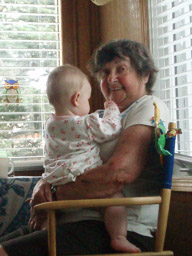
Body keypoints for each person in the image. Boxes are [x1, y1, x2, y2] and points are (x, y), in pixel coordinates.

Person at [0, 39, 169, 256]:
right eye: (105, 72)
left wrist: (54, 193)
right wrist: (42, 184)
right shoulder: (96, 119)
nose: (111, 78)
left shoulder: (149, 107)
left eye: (121, 69)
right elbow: (65, 159)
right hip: (71, 220)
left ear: (145, 75)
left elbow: (119, 174)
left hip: (118, 230)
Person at [42, 64, 138, 252]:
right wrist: (111, 108)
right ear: (77, 99)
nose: (89, 103)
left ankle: (45, 232)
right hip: (83, 180)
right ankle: (118, 237)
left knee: (49, 219)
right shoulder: (86, 123)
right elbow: (110, 128)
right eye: (87, 98)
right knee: (115, 199)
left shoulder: (50, 125)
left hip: (56, 185)